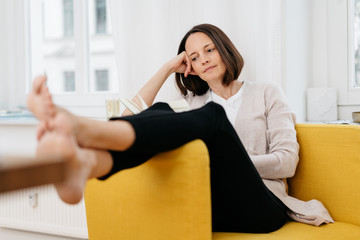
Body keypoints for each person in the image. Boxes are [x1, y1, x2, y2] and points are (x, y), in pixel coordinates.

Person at [27, 24, 333, 233]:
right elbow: (129, 114)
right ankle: (88, 163)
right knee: (162, 111)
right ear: (192, 68)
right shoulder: (193, 103)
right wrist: (166, 69)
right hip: (215, 205)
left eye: (209, 50)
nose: (204, 60)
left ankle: (85, 131)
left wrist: (232, 159)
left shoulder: (267, 91)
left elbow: (288, 161)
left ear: (224, 49)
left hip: (264, 207)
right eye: (195, 58)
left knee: (213, 117)